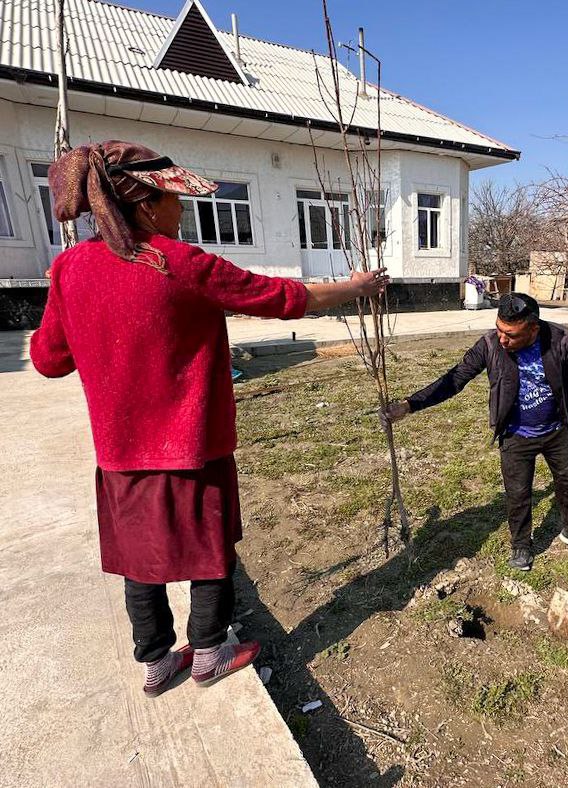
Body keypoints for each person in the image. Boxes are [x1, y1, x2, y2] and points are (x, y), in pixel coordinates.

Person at [29, 141, 388, 697]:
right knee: (210, 551)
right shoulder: (178, 262)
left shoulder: (69, 269)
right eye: (175, 199)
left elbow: (49, 360)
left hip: (121, 453)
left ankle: (155, 662)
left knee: (138, 560)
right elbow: (279, 298)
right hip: (194, 445)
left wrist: (87, 324)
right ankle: (209, 652)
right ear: (147, 206)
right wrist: (356, 287)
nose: (183, 210)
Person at [383, 293, 568, 571]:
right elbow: (455, 379)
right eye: (499, 329)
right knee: (517, 493)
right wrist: (411, 405)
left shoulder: (561, 340)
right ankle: (521, 544)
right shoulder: (490, 346)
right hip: (515, 434)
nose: (503, 339)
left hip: (558, 430)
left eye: (511, 334)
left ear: (533, 328)